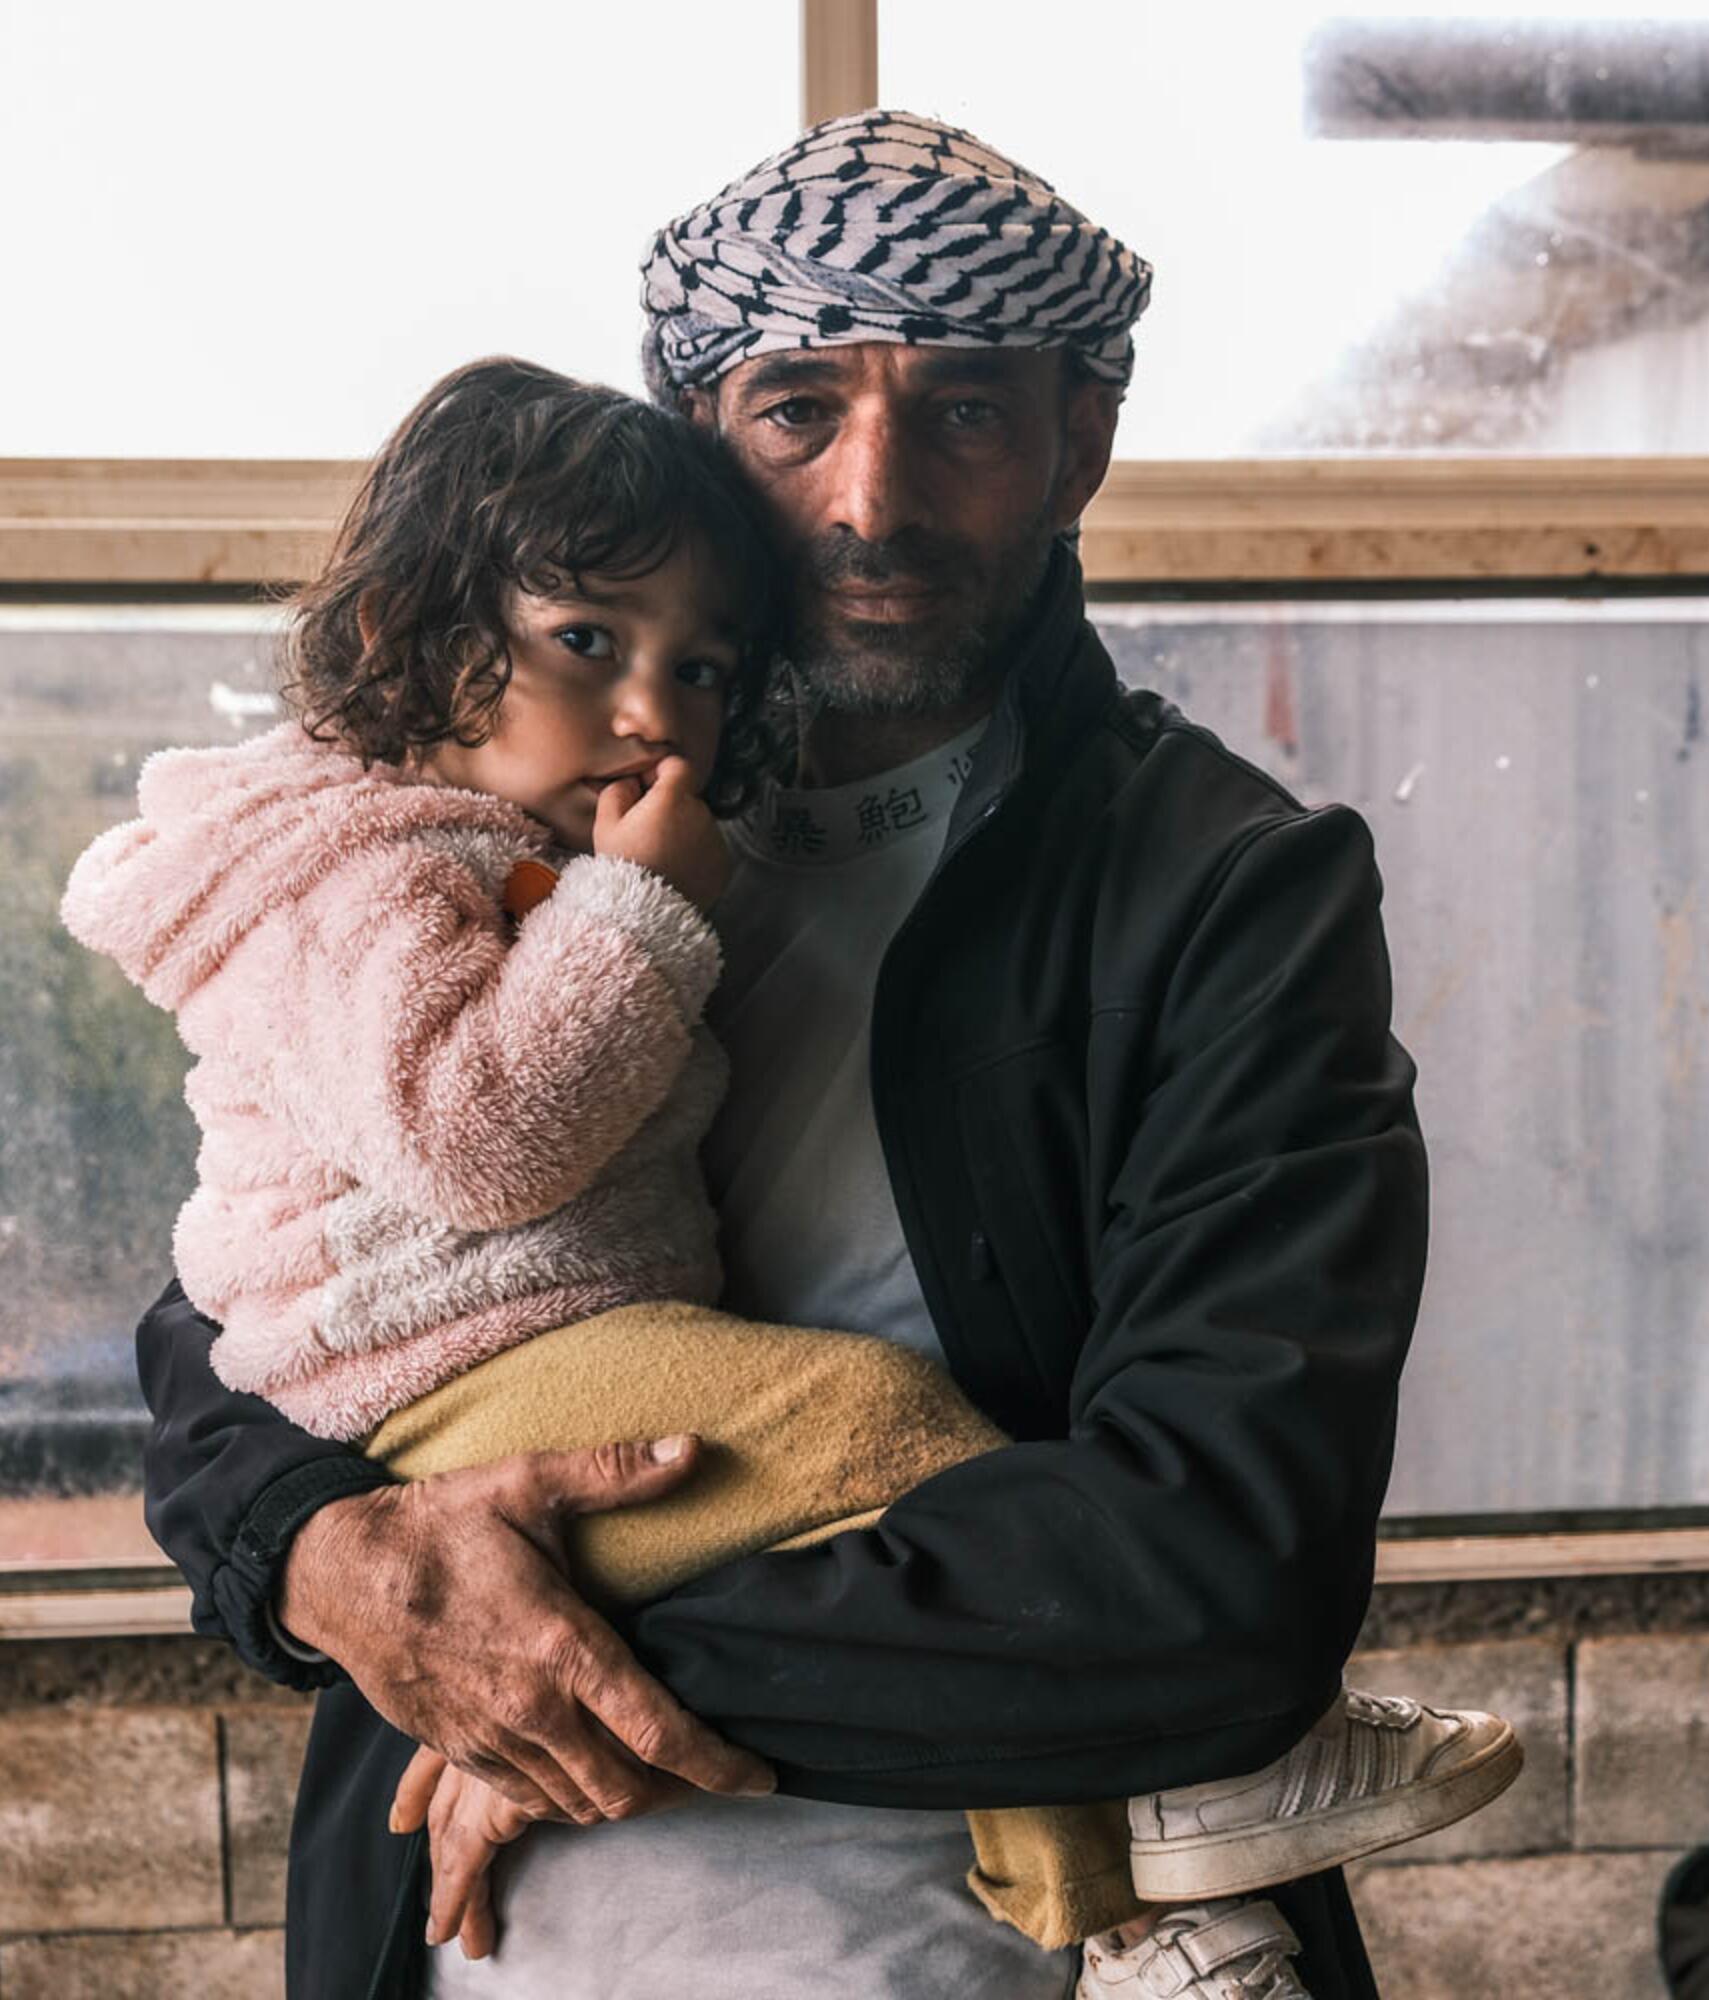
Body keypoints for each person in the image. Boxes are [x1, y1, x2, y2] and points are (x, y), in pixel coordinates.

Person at [132, 111, 1436, 1999]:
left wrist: (518, 1645)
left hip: (985, 1959)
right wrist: (324, 1550)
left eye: (968, 410)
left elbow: (1218, 1571)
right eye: (798, 408)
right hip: (474, 1952)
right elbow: (236, 1287)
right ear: (700, 434)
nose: (869, 501)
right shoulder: (497, 809)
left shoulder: (1227, 894)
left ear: (1081, 443)